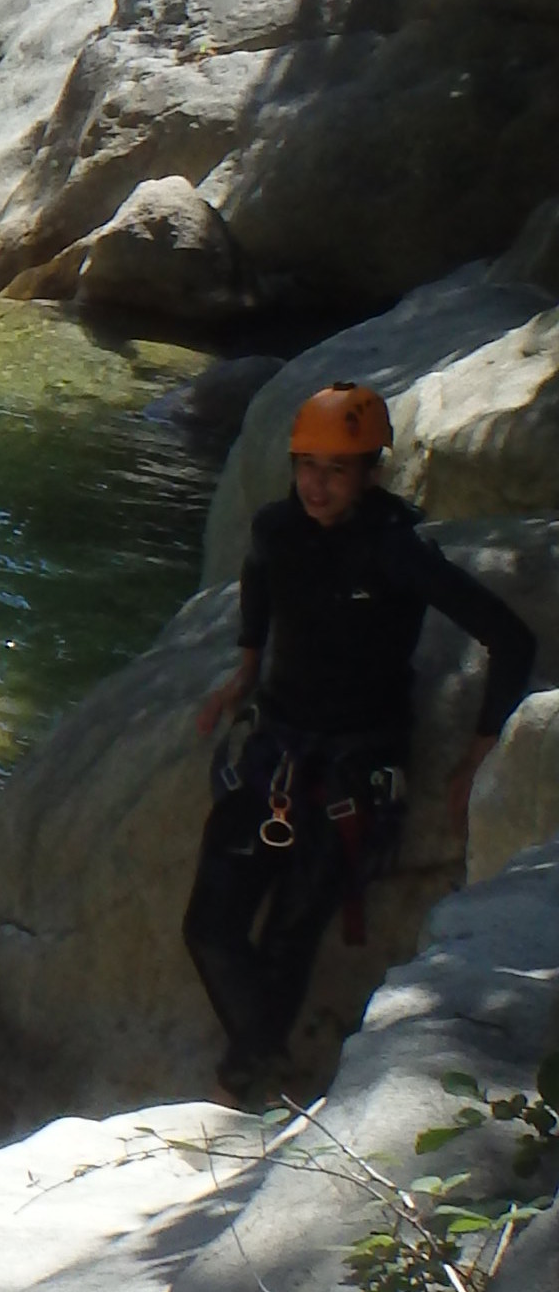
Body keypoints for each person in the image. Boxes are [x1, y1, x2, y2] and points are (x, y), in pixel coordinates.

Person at [188, 383, 535, 1103]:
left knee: (289, 939)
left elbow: (510, 638)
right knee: (210, 928)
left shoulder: (396, 551)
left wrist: (477, 756)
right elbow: (258, 573)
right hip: (279, 752)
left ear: (371, 472)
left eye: (336, 469)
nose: (316, 483)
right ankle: (262, 1068)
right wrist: (247, 665)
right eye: (305, 465)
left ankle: (243, 1083)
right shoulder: (279, 527)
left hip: (354, 773)